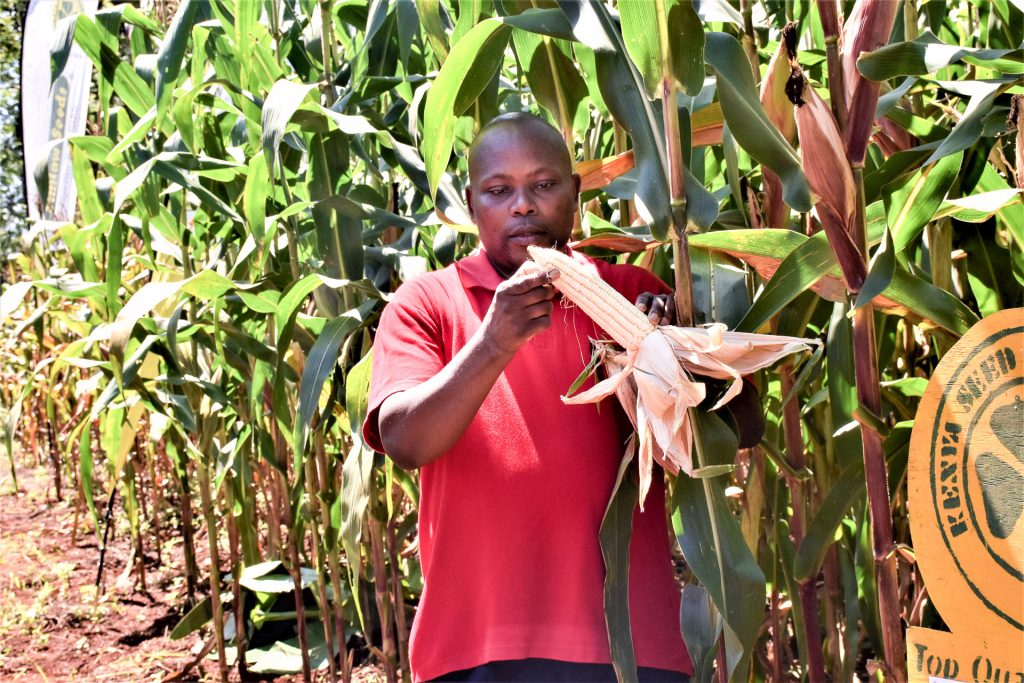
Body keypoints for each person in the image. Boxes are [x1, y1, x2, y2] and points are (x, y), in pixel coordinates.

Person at [362, 113, 692, 682]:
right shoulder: (427, 304)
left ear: (576, 192)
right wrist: (494, 341)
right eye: (499, 190)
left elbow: (742, 427)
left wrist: (671, 357)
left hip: (631, 644)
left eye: (544, 185)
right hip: (476, 645)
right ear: (471, 204)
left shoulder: (637, 296)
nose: (523, 206)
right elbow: (405, 441)